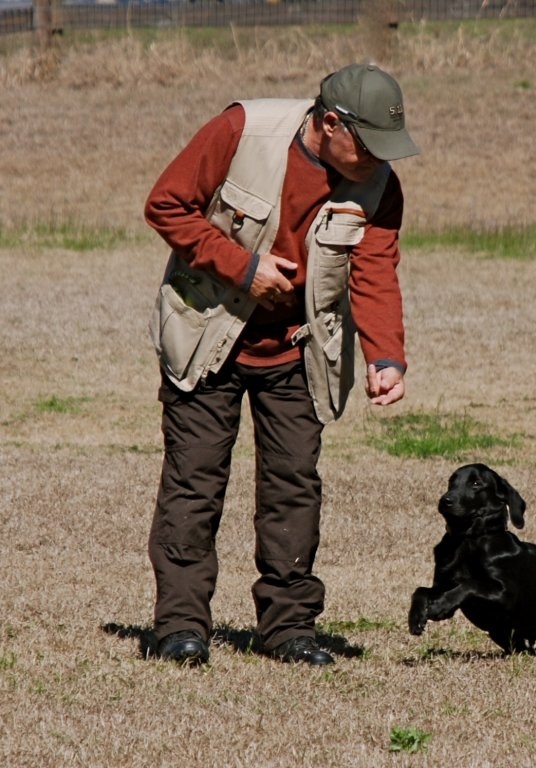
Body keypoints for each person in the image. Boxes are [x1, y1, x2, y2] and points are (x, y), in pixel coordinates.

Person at [144, 62, 419, 667]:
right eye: (370, 146)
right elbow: (166, 205)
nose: (379, 161)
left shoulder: (377, 184)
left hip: (298, 347)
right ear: (330, 124)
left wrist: (386, 356)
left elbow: (375, 269)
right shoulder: (243, 130)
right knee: (194, 484)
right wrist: (244, 268)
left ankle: (288, 629)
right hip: (207, 333)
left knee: (294, 488)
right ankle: (180, 627)